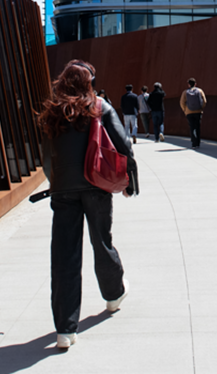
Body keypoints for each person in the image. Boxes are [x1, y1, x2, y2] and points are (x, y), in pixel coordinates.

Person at [39, 60, 136, 350]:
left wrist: (55, 183)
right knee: (101, 243)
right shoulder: (100, 106)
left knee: (64, 255)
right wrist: (129, 184)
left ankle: (65, 330)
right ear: (89, 82)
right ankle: (113, 294)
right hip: (97, 186)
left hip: (64, 191)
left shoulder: (52, 113)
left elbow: (46, 157)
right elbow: (123, 145)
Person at [180, 77, 206, 148]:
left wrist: (185, 110)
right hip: (198, 111)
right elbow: (204, 101)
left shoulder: (185, 92)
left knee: (192, 127)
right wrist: (201, 108)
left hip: (189, 112)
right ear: (195, 84)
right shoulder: (200, 91)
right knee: (197, 127)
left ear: (188, 84)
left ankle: (193, 143)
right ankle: (198, 143)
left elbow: (182, 102)